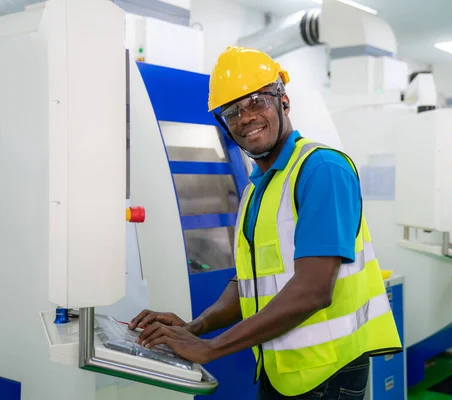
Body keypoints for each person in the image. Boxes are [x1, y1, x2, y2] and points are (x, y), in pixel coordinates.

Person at [129, 46, 402, 399]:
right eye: (232, 111)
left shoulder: (321, 170)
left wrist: (212, 348)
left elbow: (314, 290)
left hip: (328, 375)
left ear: (283, 101)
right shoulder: (258, 186)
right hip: (282, 369)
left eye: (257, 101)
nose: (245, 118)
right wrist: (195, 327)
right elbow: (250, 283)